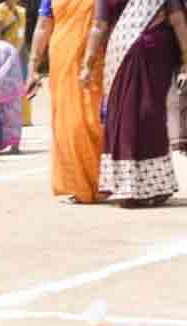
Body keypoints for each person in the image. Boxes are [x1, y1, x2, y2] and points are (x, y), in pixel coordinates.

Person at [81, 0, 187, 207]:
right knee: (139, 118)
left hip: (145, 54)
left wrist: (88, 64)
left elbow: (177, 20)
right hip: (132, 54)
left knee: (136, 117)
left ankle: (140, 187)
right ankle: (139, 186)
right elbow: (178, 20)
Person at [26, 0, 106, 203]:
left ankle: (104, 182)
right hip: (63, 58)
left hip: (96, 58)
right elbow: (43, 26)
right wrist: (33, 67)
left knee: (93, 120)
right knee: (68, 122)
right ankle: (76, 186)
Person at [0, 0, 33, 125]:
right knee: (7, 85)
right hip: (6, 52)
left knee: (24, 83)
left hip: (21, 50)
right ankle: (7, 118)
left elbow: (21, 33)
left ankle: (25, 119)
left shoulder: (22, 10)